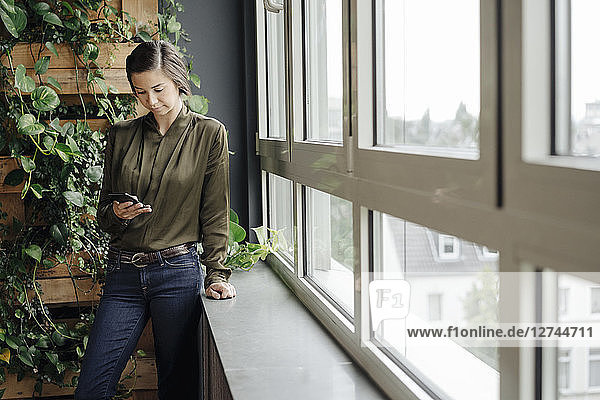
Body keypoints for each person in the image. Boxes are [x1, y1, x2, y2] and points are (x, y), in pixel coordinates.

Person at [74, 40, 236, 400]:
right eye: (140, 91)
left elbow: (214, 210)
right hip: (124, 276)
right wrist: (116, 214)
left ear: (178, 80)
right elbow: (104, 214)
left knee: (177, 390)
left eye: (158, 89)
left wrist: (217, 273)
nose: (150, 100)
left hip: (177, 273)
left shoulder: (209, 133)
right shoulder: (121, 134)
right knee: (91, 390)